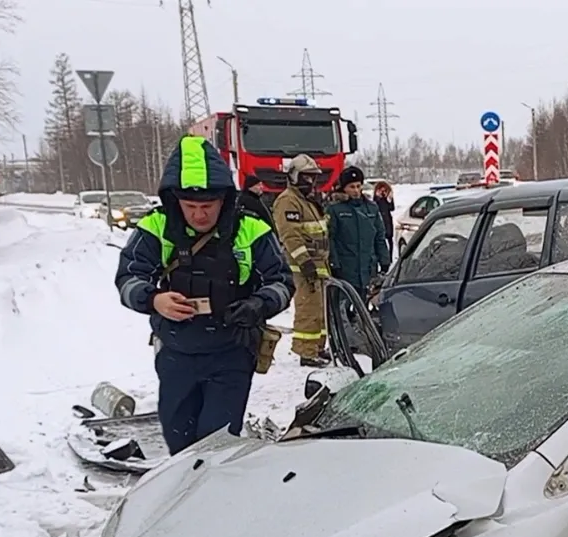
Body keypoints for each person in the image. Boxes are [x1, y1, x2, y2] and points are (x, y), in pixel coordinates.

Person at [114, 135, 292, 455]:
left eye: (207, 206)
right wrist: (154, 300)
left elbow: (282, 282)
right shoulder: (156, 228)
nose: (199, 215)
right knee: (180, 443)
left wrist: (259, 304)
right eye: (190, 206)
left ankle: (216, 501)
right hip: (176, 354)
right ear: (175, 200)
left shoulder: (251, 229)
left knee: (216, 445)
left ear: (223, 199)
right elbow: (128, 278)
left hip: (232, 352)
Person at [272, 155, 335, 367]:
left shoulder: (307, 200)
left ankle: (318, 346)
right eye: (306, 177)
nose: (311, 182)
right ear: (295, 176)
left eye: (313, 178)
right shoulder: (287, 201)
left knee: (320, 309)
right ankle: (306, 353)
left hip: (320, 264)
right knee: (308, 309)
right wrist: (305, 263)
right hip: (303, 266)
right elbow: (291, 236)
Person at [325, 165, 391, 297]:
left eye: (358, 186)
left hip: (368, 269)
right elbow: (330, 238)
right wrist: (334, 264)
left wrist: (384, 260)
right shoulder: (335, 209)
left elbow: (379, 236)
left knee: (365, 310)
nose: (356, 190)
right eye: (351, 187)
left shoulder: (371, 208)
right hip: (346, 270)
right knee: (344, 310)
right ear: (343, 188)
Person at [371, 180, 396, 249]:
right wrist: (378, 197)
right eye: (381, 190)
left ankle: (390, 256)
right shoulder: (376, 198)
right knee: (380, 238)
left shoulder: (388, 198)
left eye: (384, 190)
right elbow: (375, 207)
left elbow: (392, 208)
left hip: (387, 220)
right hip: (379, 219)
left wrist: (389, 200)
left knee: (389, 238)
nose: (383, 192)